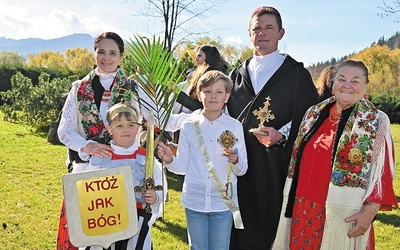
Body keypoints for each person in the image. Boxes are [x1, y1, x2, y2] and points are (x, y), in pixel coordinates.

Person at [273, 59, 398, 250]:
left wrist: (370, 212)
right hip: (303, 209)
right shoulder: (313, 114)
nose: (347, 85)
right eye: (342, 79)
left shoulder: (376, 121)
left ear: (366, 88)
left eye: (355, 81)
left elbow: (383, 174)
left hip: (343, 214)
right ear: (333, 85)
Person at [226, 6, 320, 249]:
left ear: (281, 32)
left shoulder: (297, 73)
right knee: (239, 227)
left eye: (269, 28)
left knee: (271, 228)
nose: (263, 33)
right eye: (257, 28)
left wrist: (282, 134)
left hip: (275, 166)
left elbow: (310, 117)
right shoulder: (236, 74)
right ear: (249, 33)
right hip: (239, 163)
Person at [56, 31, 139, 250]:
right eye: (101, 52)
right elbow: (64, 130)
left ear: (121, 56)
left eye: (113, 53)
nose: (106, 58)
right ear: (94, 53)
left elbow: (148, 125)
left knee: (119, 236)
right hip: (86, 173)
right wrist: (87, 145)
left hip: (122, 171)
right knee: (88, 235)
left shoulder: (132, 89)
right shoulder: (79, 88)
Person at [157, 70, 248, 250]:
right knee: (197, 247)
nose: (213, 96)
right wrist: (169, 159)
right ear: (199, 95)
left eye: (219, 92)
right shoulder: (189, 125)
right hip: (195, 200)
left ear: (227, 97)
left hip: (222, 202)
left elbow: (243, 169)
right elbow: (182, 167)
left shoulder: (235, 126)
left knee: (220, 247)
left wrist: (235, 160)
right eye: (207, 91)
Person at [80, 103, 163, 250]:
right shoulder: (100, 157)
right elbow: (87, 193)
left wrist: (155, 197)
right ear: (109, 130)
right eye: (119, 126)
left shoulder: (147, 159)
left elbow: (160, 187)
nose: (126, 130)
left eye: (131, 125)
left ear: (138, 128)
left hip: (136, 223)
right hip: (105, 222)